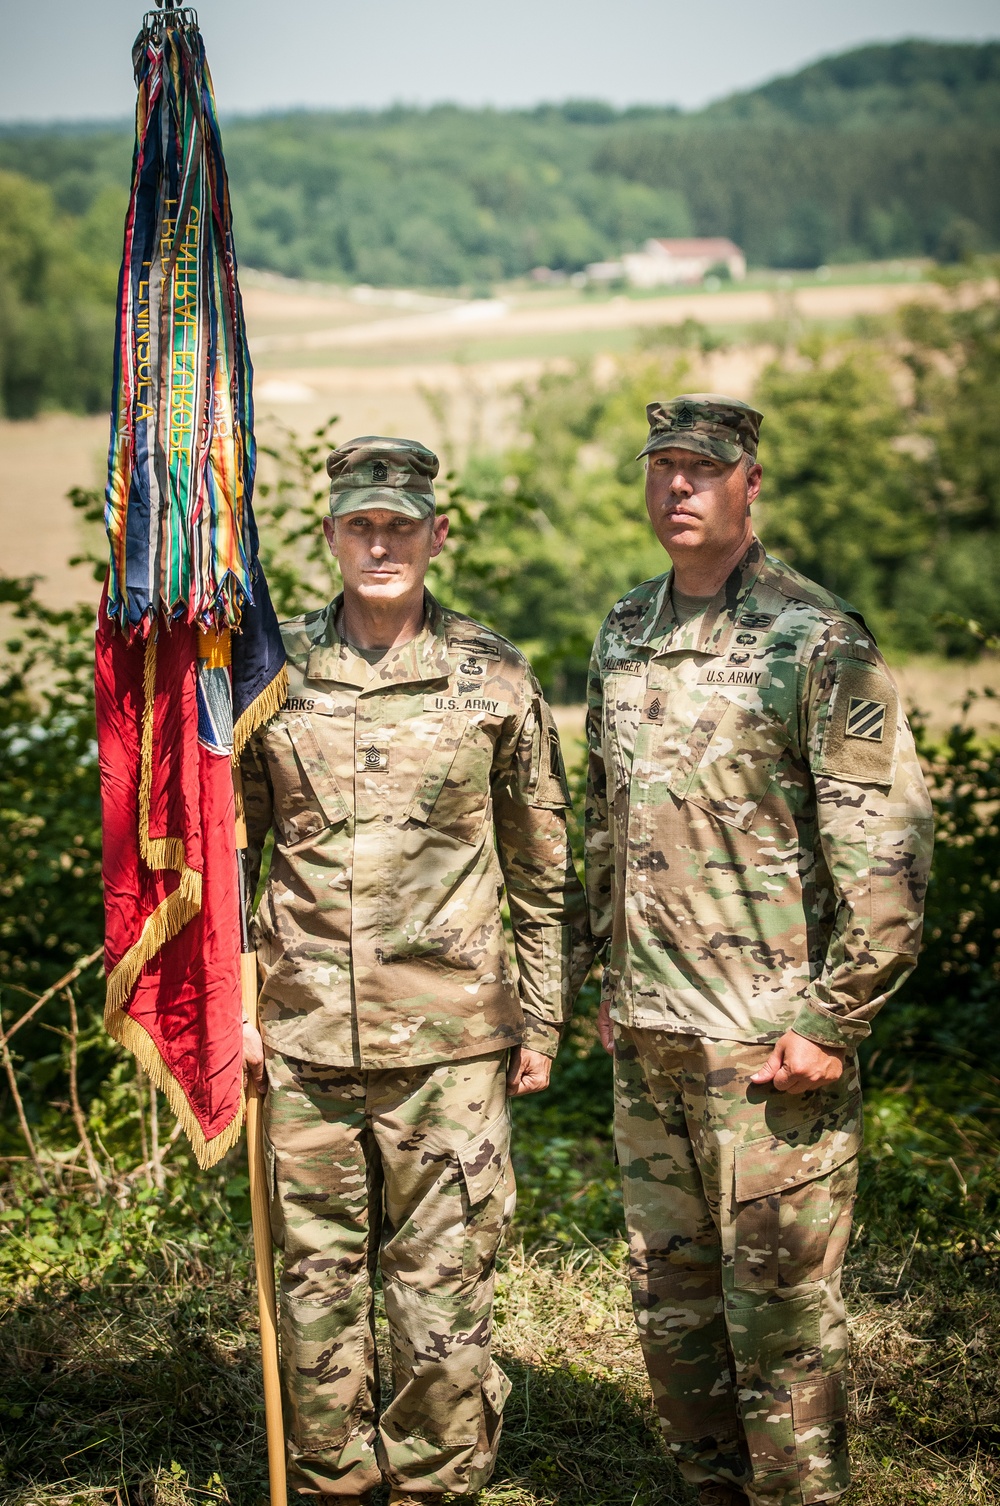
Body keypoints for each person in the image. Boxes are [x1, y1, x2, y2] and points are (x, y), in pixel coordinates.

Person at [585, 394, 933, 1506]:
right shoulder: (621, 631)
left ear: (751, 482)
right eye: (664, 467)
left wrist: (833, 1019)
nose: (679, 487)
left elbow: (887, 848)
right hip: (652, 1046)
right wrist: (607, 976)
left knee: (780, 1337)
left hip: (767, 1053)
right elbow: (608, 822)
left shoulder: (814, 638)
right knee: (672, 1318)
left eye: (704, 469)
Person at [239, 435, 592, 1504]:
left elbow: (541, 860)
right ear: (331, 536)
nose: (381, 543)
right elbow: (232, 849)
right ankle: (334, 1485)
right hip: (299, 1038)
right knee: (312, 1295)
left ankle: (436, 1487)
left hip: (450, 1044)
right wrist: (234, 1010)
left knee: (440, 1302)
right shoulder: (273, 674)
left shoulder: (493, 676)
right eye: (361, 525)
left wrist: (542, 1021)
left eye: (401, 524)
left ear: (437, 534)